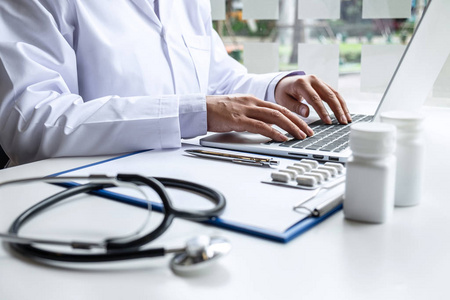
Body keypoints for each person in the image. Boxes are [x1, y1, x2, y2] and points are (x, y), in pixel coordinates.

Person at [0, 0, 351, 166]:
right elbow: (30, 121)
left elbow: (219, 81)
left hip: (187, 177)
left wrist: (276, 90)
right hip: (79, 194)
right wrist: (193, 113)